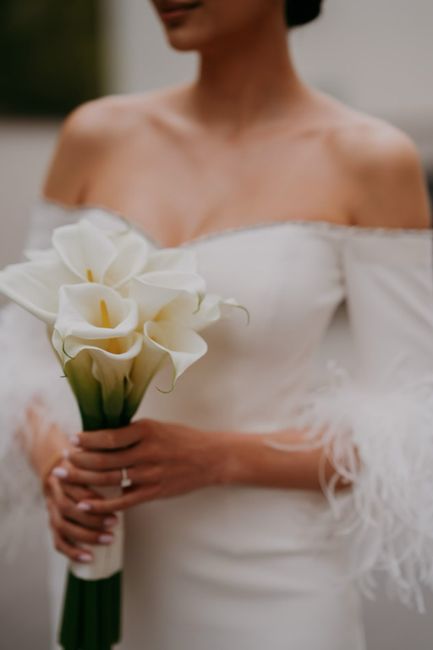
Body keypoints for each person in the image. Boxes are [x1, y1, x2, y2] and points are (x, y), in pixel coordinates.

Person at [1, 1, 433, 648]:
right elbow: (21, 351)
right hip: (103, 552)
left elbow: (412, 426)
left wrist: (217, 457)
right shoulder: (95, 134)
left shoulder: (369, 159)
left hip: (272, 579)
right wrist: (55, 465)